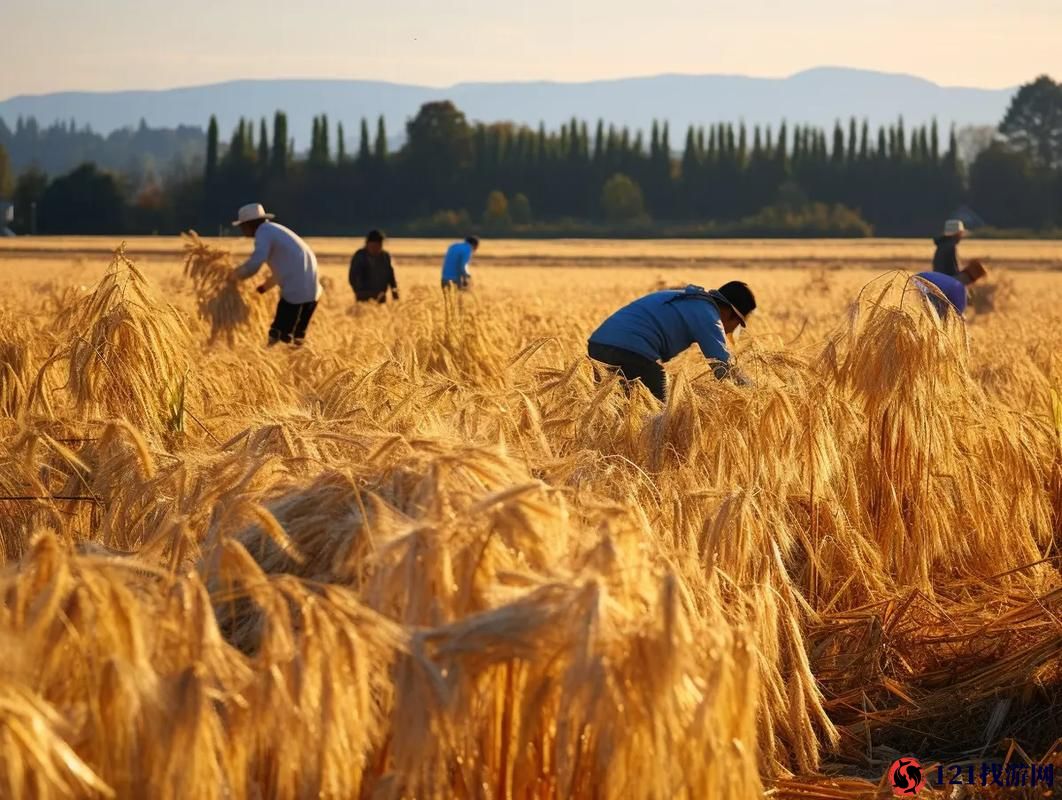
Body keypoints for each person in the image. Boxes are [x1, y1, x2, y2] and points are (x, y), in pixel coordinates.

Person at [587, 281, 757, 402]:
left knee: (611, 407)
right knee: (660, 413)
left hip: (599, 345)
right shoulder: (708, 315)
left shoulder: (689, 299)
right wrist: (755, 393)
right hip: (630, 350)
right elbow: (723, 368)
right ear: (730, 313)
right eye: (736, 325)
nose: (730, 332)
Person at [229, 203, 323, 347]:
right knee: (297, 339)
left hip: (295, 293)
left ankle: (270, 364)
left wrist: (234, 276)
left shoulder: (263, 233)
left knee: (278, 336)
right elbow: (288, 268)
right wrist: (264, 288)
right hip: (313, 293)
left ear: (249, 224)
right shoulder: (276, 231)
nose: (242, 230)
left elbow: (256, 261)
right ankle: (297, 368)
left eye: (242, 226)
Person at [914, 262, 988, 318]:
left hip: (913, 283)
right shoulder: (959, 290)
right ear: (974, 281)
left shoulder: (938, 276)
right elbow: (958, 319)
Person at [349, 229, 398, 304]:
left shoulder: (385, 257)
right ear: (367, 244)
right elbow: (353, 276)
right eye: (374, 246)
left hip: (381, 297)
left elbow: (391, 277)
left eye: (379, 245)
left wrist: (395, 295)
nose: (376, 248)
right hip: (363, 298)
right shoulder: (360, 256)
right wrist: (359, 292)